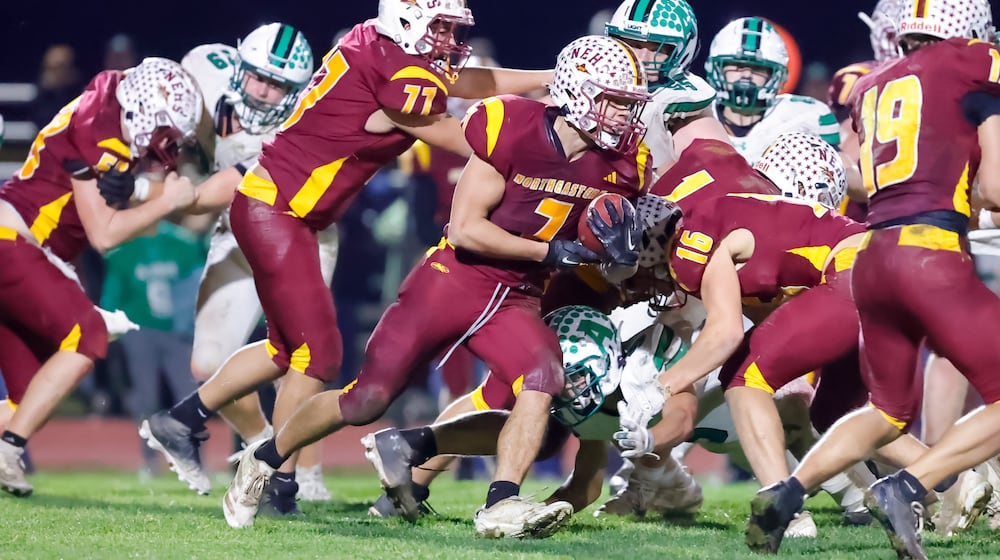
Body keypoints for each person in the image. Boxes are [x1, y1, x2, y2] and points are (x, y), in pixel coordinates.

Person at [137, 0, 555, 518]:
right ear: (408, 21)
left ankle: (182, 420)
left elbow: (466, 81)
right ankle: (276, 482)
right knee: (317, 356)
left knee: (288, 349)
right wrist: (547, 126)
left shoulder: (382, 47)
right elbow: (468, 137)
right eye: (440, 26)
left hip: (283, 208)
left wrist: (549, 79)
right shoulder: (398, 73)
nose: (448, 39)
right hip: (279, 208)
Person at [223, 33, 651, 537]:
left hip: (516, 295)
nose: (624, 115)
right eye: (614, 101)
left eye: (629, 104)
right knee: (366, 399)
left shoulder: (625, 164)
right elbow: (467, 229)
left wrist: (619, 257)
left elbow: (607, 255)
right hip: (454, 278)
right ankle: (264, 458)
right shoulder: (511, 125)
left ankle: (501, 503)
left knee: (543, 377)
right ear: (579, 93)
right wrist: (549, 252)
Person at [743, 1, 1000, 557]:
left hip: (873, 258)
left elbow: (871, 177)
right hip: (930, 255)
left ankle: (787, 494)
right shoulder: (975, 64)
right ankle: (906, 487)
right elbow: (994, 188)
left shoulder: (871, 84)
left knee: (885, 412)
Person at [139, 23, 333, 508]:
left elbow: (212, 194)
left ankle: (303, 472)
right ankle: (262, 443)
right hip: (239, 233)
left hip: (303, 234)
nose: (264, 92)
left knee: (304, 358)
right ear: (239, 66)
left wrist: (154, 194)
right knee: (207, 363)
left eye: (278, 86)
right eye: (258, 78)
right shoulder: (205, 67)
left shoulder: (302, 122)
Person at [0, 57, 202, 496]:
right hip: (15, 245)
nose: (166, 143)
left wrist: (136, 187)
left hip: (21, 246)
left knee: (28, 400)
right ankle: (9, 451)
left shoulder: (112, 99)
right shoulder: (102, 131)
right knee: (88, 335)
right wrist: (166, 202)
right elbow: (105, 234)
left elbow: (106, 186)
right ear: (144, 112)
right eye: (165, 131)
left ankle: (8, 442)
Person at [101, 219, 206, 478]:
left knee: (187, 395)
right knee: (147, 397)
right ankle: (150, 462)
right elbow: (112, 294)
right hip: (140, 332)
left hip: (177, 331)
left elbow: (199, 285)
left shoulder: (183, 243)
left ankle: (193, 461)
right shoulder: (126, 249)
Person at [704, 18, 842, 163]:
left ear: (775, 76)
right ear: (717, 69)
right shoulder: (698, 115)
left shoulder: (805, 117)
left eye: (758, 68)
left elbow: (844, 171)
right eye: (737, 65)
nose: (746, 74)